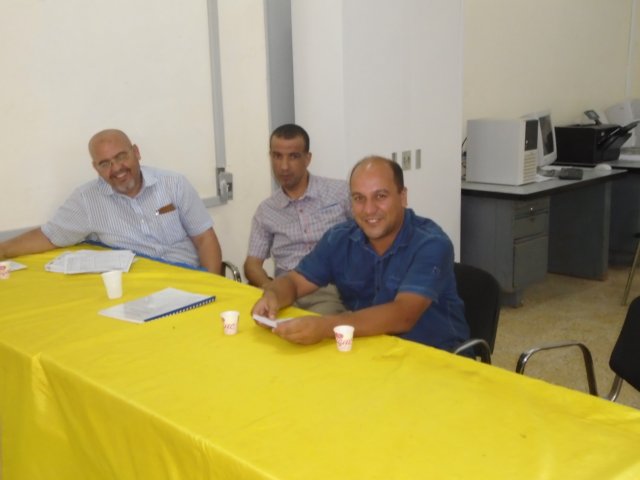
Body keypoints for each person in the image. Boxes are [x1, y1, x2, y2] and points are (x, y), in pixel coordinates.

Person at [251, 155, 469, 352]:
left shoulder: (431, 244)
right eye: (359, 198)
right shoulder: (339, 238)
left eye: (380, 196)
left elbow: (404, 314)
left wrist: (325, 326)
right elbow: (295, 282)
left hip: (436, 357)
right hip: (369, 350)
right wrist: (273, 296)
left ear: (402, 197)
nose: (369, 209)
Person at [0, 129, 222, 273]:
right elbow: (49, 236)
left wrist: (215, 288)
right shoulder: (86, 201)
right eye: (105, 163)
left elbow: (205, 239)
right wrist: (3, 250)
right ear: (95, 168)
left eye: (121, 157)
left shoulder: (174, 184)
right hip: (137, 291)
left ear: (136, 152)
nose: (116, 168)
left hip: (188, 276)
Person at [244, 124, 351, 314]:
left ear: (307, 159)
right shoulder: (266, 210)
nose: (284, 166)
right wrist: (270, 288)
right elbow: (252, 264)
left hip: (328, 289)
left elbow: (370, 237)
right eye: (277, 156)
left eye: (293, 156)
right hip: (284, 293)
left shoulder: (340, 193)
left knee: (313, 326)